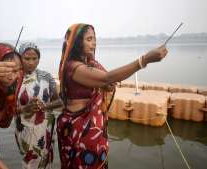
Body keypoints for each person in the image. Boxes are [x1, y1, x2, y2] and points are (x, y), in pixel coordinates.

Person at [57, 23, 168, 169]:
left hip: (93, 129)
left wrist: (105, 82)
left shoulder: (90, 63)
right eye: (89, 39)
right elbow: (107, 78)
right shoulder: (73, 67)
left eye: (95, 39)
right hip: (79, 130)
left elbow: (108, 82)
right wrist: (144, 60)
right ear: (77, 43)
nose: (94, 43)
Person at [15, 42, 62, 169]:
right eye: (27, 58)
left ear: (39, 59)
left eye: (34, 58)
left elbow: (59, 102)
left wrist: (44, 106)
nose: (31, 62)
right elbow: (8, 110)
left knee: (44, 159)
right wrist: (25, 108)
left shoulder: (46, 77)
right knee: (29, 158)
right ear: (19, 58)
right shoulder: (14, 78)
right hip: (24, 127)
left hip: (45, 126)